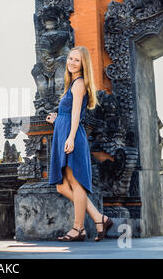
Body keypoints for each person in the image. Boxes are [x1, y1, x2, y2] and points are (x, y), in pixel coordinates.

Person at [46, 46, 113, 241]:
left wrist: (71, 137)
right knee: (62, 185)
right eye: (70, 58)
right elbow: (68, 114)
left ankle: (78, 228)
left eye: (77, 60)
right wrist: (56, 119)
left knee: (76, 183)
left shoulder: (79, 84)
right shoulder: (72, 84)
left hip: (71, 135)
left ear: (83, 64)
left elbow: (76, 114)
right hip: (64, 131)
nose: (72, 62)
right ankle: (99, 218)